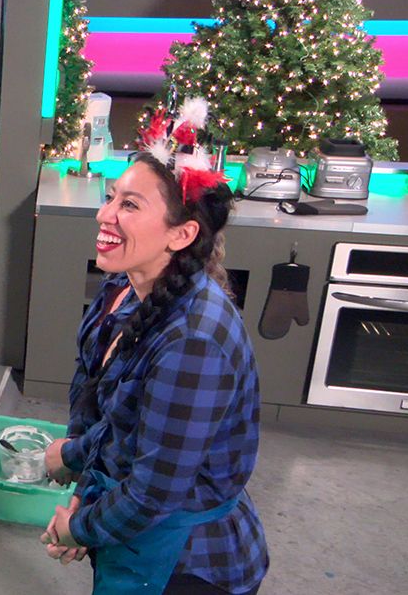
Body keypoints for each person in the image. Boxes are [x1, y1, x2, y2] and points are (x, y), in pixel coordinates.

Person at [40, 147, 269, 594]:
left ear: (181, 234)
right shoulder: (122, 289)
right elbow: (111, 415)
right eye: (110, 197)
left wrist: (81, 527)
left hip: (187, 563)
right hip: (131, 525)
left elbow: (154, 492)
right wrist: (81, 479)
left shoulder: (193, 341)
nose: (105, 215)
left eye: (129, 205)